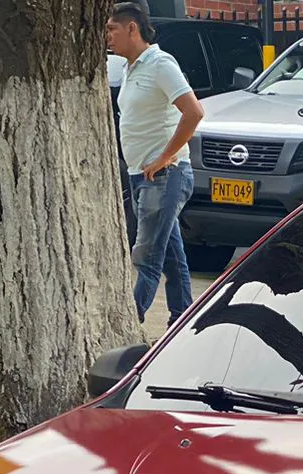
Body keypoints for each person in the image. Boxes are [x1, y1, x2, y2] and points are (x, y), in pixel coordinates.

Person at [105, 2, 204, 324]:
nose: (107, 37)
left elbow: (194, 112)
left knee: (146, 256)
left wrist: (165, 156)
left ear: (132, 28)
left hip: (165, 175)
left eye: (111, 29)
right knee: (173, 260)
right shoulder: (130, 67)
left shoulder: (160, 63)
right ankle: (182, 323)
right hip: (140, 175)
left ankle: (129, 324)